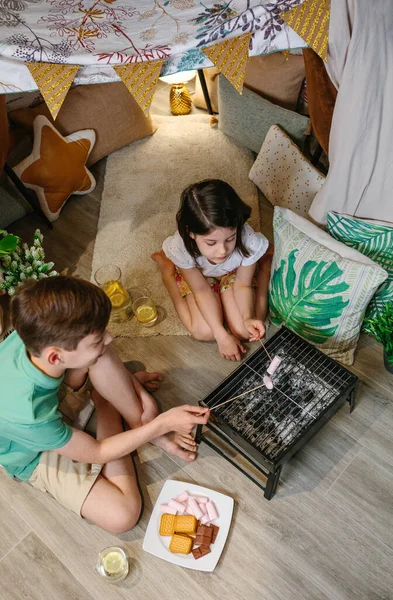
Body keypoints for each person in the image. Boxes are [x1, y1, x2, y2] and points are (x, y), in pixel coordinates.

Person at [0, 276, 209, 534]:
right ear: (55, 356)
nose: (110, 338)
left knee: (97, 353)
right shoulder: (27, 414)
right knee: (122, 515)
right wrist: (160, 424)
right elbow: (97, 452)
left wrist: (143, 409)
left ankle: (134, 417)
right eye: (99, 337)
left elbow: (94, 348)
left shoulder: (36, 329)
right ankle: (106, 405)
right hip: (34, 451)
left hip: (52, 399)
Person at [152, 179, 273, 361]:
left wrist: (248, 317)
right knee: (202, 331)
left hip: (234, 273)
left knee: (244, 330)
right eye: (211, 243)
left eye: (230, 239)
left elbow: (243, 284)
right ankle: (167, 273)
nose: (222, 251)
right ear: (191, 233)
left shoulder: (247, 240)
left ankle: (264, 266)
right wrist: (221, 335)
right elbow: (200, 290)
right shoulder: (182, 247)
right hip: (200, 276)